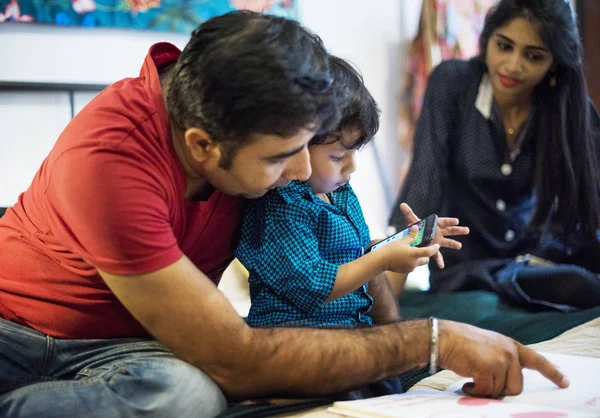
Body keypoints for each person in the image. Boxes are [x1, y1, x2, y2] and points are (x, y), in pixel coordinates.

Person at [0, 11, 567, 418]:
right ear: (201, 146)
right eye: (279, 158)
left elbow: (355, 254)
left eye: (309, 149)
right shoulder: (108, 162)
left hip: (128, 342)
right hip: (16, 330)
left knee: (188, 394)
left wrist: (412, 343)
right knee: (196, 395)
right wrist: (433, 339)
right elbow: (237, 360)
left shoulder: (252, 130)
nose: (301, 172)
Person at [236, 55, 470, 398]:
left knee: (390, 387)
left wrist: (408, 240)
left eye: (356, 151)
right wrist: (384, 258)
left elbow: (355, 256)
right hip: (297, 343)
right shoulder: (282, 205)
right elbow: (313, 283)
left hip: (351, 334)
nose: (352, 167)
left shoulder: (339, 192)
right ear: (297, 144)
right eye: (336, 157)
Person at [390, 0, 600, 311]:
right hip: (466, 269)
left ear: (554, 63)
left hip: (539, 260)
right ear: (487, 39)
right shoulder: (453, 84)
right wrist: (385, 310)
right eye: (505, 46)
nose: (513, 65)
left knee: (585, 283)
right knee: (569, 287)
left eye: (533, 56)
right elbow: (422, 192)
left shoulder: (567, 106)